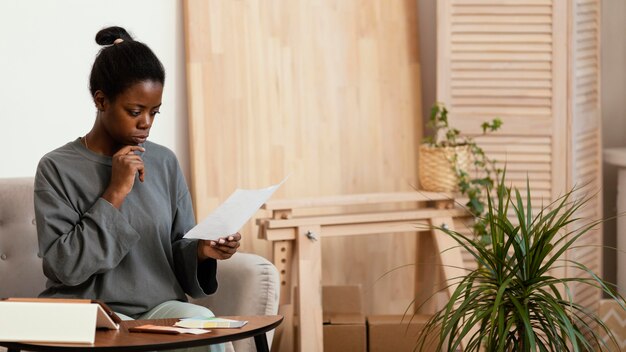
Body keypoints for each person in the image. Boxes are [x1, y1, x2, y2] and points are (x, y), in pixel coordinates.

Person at [34, 26, 239, 352]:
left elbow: (177, 247)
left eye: (154, 112)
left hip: (157, 311)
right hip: (88, 313)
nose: (146, 123)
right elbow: (64, 267)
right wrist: (115, 191)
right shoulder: (57, 167)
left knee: (205, 326)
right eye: (135, 112)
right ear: (101, 100)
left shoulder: (164, 162)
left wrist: (202, 252)